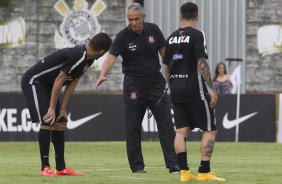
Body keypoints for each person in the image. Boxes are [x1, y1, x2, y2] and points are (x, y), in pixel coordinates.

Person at [96, 3, 179, 173]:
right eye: (130, 19)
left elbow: (165, 54)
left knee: (166, 125)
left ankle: (173, 164)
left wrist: (173, 74)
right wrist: (103, 74)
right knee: (133, 126)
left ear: (143, 17)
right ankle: (137, 166)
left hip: (156, 83)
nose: (133, 22)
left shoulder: (154, 30)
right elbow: (110, 58)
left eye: (136, 19)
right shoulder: (122, 37)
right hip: (134, 84)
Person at [21, 33, 112, 176]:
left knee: (60, 123)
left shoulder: (89, 60)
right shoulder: (78, 55)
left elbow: (73, 82)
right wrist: (51, 108)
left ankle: (61, 168)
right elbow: (59, 80)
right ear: (101, 52)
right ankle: (45, 167)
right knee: (48, 120)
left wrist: (62, 109)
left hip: (48, 85)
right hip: (34, 81)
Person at [163, 2, 225, 182]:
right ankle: (204, 171)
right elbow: (202, 63)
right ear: (197, 17)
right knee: (210, 130)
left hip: (176, 91)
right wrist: (212, 88)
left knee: (181, 132)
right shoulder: (198, 35)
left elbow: (165, 67)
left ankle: (184, 173)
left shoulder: (171, 37)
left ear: (180, 17)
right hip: (195, 89)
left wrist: (171, 84)